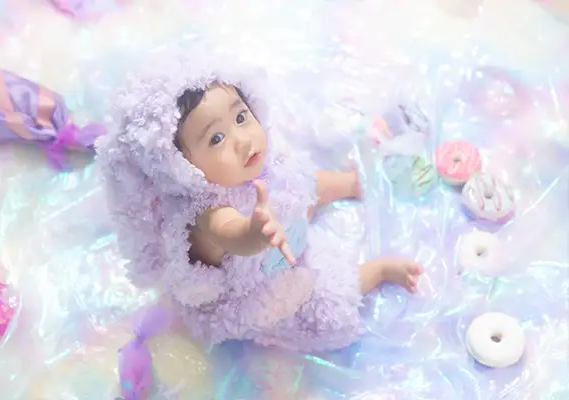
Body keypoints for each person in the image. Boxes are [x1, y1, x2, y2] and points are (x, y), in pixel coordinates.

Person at [96, 53, 422, 352]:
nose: (242, 140)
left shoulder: (262, 164)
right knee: (329, 310)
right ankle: (376, 272)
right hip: (260, 287)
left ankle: (346, 186)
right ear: (182, 167)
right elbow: (229, 231)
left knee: (302, 187)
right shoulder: (204, 213)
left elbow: (306, 183)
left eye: (241, 117)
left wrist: (346, 184)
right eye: (216, 139)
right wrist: (254, 232)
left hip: (285, 241)